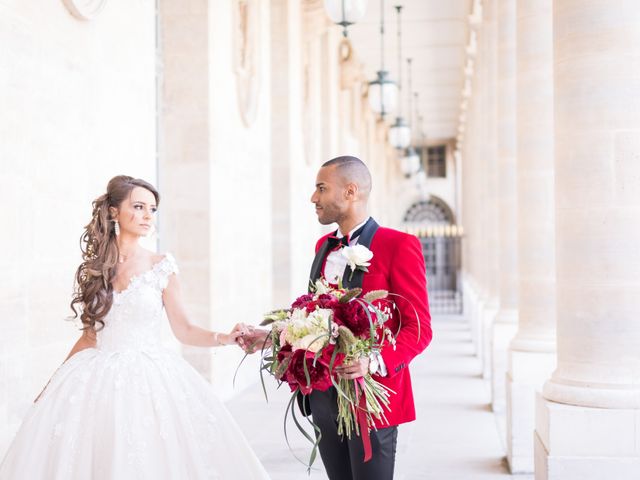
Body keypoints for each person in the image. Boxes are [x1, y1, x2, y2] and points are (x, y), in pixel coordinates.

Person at [0, 175, 271, 480]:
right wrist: (52, 385)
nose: (147, 216)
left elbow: (184, 329)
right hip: (95, 377)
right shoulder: (96, 269)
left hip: (149, 377)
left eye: (152, 209)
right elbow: (90, 336)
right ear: (114, 211)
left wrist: (226, 338)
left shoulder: (161, 266)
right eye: (139, 206)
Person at [240, 156, 432, 480]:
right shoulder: (323, 247)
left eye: (321, 188)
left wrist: (373, 361)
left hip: (371, 400)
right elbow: (314, 314)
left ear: (350, 191)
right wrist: (270, 336)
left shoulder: (399, 245)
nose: (313, 198)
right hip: (322, 397)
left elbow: (419, 328)